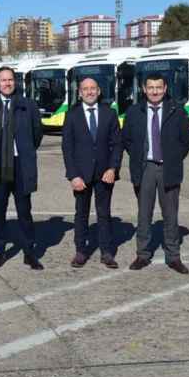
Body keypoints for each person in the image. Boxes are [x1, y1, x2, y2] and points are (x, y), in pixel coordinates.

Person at [121, 72, 189, 274]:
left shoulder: (177, 111)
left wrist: (174, 158)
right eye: (151, 88)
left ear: (165, 89)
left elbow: (186, 139)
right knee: (144, 213)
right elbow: (126, 139)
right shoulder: (134, 112)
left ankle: (173, 257)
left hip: (168, 169)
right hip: (145, 169)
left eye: (158, 87)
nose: (155, 91)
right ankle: (142, 255)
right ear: (144, 89)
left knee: (170, 214)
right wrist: (138, 156)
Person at [0, 66, 44, 270]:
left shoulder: (28, 105)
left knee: (24, 211)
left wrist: (23, 150)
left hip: (20, 164)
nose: (7, 83)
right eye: (3, 80)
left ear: (15, 82)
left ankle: (29, 252)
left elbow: (37, 134)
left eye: (10, 79)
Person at [62, 77, 122, 269]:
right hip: (81, 175)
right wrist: (73, 176)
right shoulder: (71, 115)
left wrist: (113, 168)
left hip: (105, 174)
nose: (89, 92)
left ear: (99, 91)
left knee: (104, 213)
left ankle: (106, 252)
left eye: (93, 88)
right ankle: (81, 251)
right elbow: (67, 148)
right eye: (85, 89)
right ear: (79, 93)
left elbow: (117, 145)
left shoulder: (110, 113)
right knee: (81, 213)